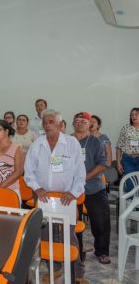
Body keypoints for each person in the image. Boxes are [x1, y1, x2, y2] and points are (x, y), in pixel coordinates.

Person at [24, 109, 86, 283]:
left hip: (65, 198)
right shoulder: (38, 144)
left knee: (69, 236)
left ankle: (78, 273)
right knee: (46, 236)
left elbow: (80, 173)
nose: (47, 125)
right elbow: (28, 172)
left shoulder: (72, 143)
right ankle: (55, 269)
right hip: (43, 197)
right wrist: (37, 189)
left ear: (60, 124)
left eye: (51, 121)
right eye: (45, 122)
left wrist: (73, 193)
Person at [72, 112, 110, 265]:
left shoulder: (96, 142)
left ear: (89, 124)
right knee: (73, 223)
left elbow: (103, 164)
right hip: (72, 191)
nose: (80, 123)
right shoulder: (67, 141)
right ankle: (77, 252)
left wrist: (83, 178)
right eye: (77, 121)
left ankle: (102, 252)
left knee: (100, 222)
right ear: (73, 123)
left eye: (84, 121)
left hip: (94, 188)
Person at [116, 107, 139, 192]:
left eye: (136, 114)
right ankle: (130, 204)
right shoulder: (126, 128)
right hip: (127, 160)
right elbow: (119, 146)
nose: (133, 116)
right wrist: (118, 162)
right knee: (130, 185)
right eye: (132, 115)